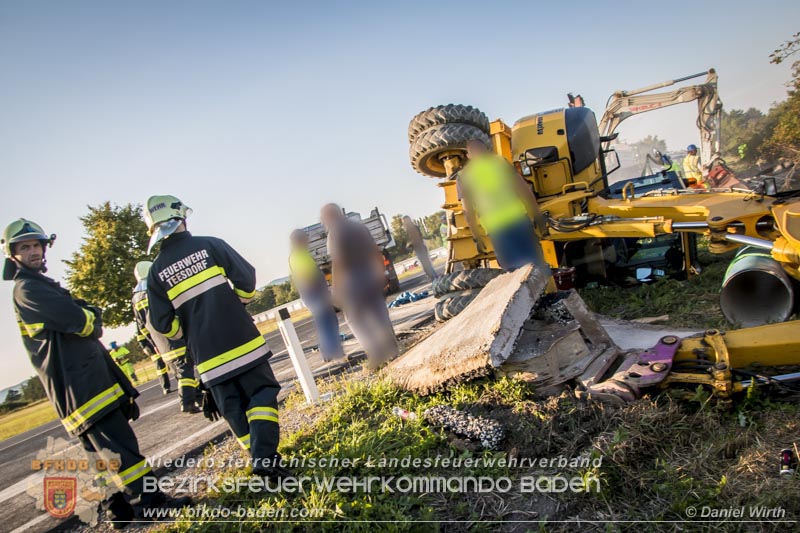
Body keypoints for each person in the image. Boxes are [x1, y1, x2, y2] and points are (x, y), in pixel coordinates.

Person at [2, 218, 189, 526]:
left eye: (36, 245)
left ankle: (119, 510)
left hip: (79, 385)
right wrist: (90, 314)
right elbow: (84, 322)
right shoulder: (29, 289)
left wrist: (86, 313)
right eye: (25, 247)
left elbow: (81, 318)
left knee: (99, 454)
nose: (34, 251)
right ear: (13, 254)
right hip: (84, 385)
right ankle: (151, 501)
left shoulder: (37, 287)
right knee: (121, 447)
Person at [143, 195, 288, 479]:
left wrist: (185, 331)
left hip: (208, 360)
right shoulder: (210, 245)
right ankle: (265, 459)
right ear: (183, 218)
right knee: (262, 395)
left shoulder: (156, 272)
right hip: (243, 343)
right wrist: (239, 302)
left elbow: (161, 323)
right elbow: (247, 279)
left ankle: (260, 459)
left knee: (234, 412)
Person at [321, 203, 399, 370]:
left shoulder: (334, 232)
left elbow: (338, 262)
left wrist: (336, 288)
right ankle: (393, 350)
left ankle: (376, 354)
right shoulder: (359, 227)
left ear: (328, 217)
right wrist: (382, 272)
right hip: (369, 274)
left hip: (352, 279)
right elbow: (375, 250)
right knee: (379, 313)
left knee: (355, 319)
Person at [457, 139, 550, 273]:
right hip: (519, 219)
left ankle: (530, 293)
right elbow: (523, 189)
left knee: (515, 270)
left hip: (496, 228)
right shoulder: (500, 162)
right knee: (535, 260)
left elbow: (468, 212)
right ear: (486, 150)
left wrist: (476, 236)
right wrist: (537, 214)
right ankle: (548, 291)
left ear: (469, 156)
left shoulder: (463, 176)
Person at [132, 261, 201, 412]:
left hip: (160, 344)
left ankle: (199, 398)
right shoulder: (156, 289)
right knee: (185, 370)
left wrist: (153, 344)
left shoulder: (135, 299)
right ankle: (187, 402)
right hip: (174, 336)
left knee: (180, 372)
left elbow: (142, 327)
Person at [288, 230, 344, 362]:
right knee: (328, 321)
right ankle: (335, 353)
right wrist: (323, 294)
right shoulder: (299, 256)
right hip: (314, 294)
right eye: (306, 238)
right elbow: (307, 278)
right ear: (299, 240)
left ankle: (329, 353)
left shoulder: (298, 255)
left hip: (313, 294)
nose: (308, 241)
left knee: (324, 322)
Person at [401, 216, 438, 282]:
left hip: (420, 248)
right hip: (419, 248)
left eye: (404, 222)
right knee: (426, 265)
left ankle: (435, 278)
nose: (403, 223)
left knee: (427, 265)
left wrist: (409, 244)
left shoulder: (412, 228)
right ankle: (433, 278)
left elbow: (416, 239)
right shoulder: (412, 228)